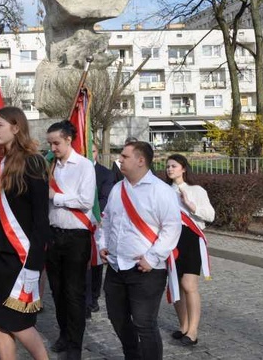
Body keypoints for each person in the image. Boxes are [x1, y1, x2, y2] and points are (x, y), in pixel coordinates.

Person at [97, 141, 181, 360]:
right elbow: (106, 220)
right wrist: (103, 244)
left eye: (125, 156)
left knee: (144, 323)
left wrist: (152, 258)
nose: (120, 160)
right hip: (116, 267)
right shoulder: (118, 188)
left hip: (146, 271)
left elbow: (172, 227)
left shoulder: (161, 191)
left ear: (141, 160)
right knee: (118, 319)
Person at [0, 106, 50, 360]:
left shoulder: (33, 161)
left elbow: (40, 219)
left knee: (20, 324)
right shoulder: (0, 162)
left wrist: (34, 266)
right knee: (0, 322)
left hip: (22, 258)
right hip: (2, 255)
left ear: (16, 127)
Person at [45, 121, 96, 360]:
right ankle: (64, 333)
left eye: (56, 143)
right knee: (56, 290)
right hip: (53, 235)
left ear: (68, 139)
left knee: (74, 292)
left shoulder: (84, 165)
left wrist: (56, 197)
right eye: (50, 144)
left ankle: (75, 343)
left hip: (76, 236)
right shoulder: (51, 167)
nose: (52, 148)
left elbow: (86, 201)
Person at [165, 154, 215, 347]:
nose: (170, 169)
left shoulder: (196, 190)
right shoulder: (164, 190)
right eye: (168, 166)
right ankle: (183, 325)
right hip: (171, 239)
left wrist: (190, 205)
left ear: (184, 168)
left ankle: (193, 331)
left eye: (174, 166)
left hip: (191, 239)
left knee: (189, 285)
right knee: (175, 284)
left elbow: (210, 215)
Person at [86, 141, 116, 317]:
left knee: (95, 262)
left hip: (97, 220)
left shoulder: (106, 173)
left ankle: (94, 296)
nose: (91, 155)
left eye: (94, 151)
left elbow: (105, 197)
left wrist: (94, 213)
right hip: (79, 221)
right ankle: (86, 299)